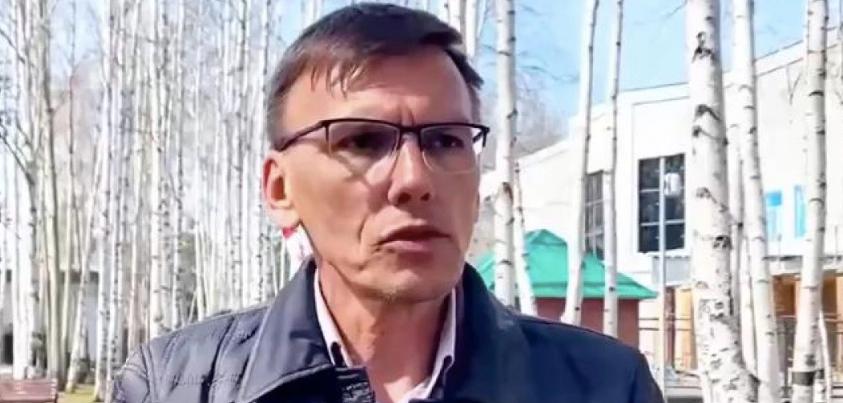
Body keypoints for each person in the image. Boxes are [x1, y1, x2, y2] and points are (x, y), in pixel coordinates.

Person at [112, 3, 663, 403]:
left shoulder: (605, 386)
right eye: (363, 141)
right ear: (280, 189)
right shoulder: (175, 386)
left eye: (445, 140)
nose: (415, 180)